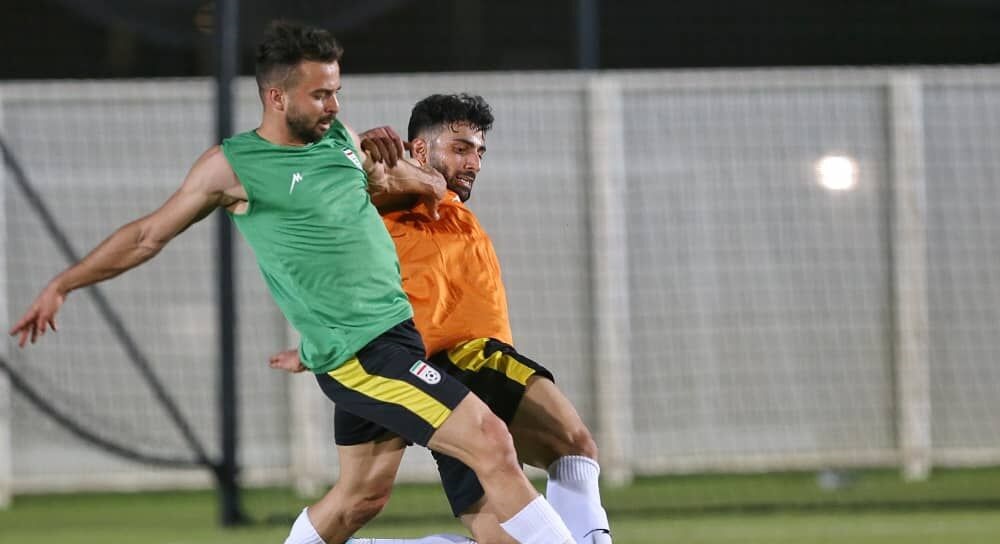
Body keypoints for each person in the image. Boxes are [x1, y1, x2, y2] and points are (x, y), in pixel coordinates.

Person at [8, 21, 575, 544]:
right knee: (491, 441)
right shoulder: (234, 166)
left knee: (359, 500)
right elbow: (145, 236)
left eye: (336, 91)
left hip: (396, 338)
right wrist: (64, 284)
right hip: (362, 355)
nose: (334, 105)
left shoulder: (339, 140)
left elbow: (405, 184)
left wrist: (402, 168)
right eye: (320, 94)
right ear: (277, 97)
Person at [271, 94, 612, 544]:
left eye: (479, 151)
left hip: (390, 367)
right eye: (461, 148)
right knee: (572, 445)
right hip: (457, 358)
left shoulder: (443, 205)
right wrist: (362, 152)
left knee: (360, 499)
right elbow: (346, 180)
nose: (474, 162)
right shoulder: (401, 190)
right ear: (418, 149)